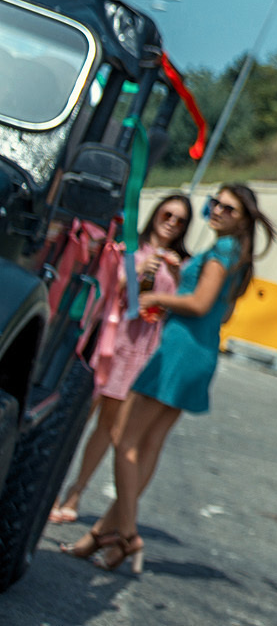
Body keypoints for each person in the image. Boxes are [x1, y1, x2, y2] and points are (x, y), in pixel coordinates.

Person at [64, 182, 275, 573]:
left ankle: (126, 535)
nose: (216, 211)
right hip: (200, 351)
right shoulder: (236, 255)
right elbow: (221, 313)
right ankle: (100, 535)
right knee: (148, 445)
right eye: (215, 203)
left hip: (180, 350)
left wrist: (158, 297)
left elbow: (199, 304)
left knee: (125, 440)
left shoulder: (223, 251)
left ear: (242, 218)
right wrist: (182, 278)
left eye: (228, 209)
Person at [48, 193, 192, 525]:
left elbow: (182, 305)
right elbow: (111, 286)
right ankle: (50, 484)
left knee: (109, 425)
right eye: (167, 214)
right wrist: (140, 268)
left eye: (180, 220)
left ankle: (75, 492)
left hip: (141, 346)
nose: (171, 223)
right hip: (111, 337)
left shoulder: (181, 262)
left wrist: (174, 276)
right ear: (156, 214)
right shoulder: (130, 247)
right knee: (76, 414)